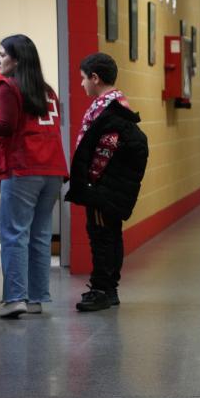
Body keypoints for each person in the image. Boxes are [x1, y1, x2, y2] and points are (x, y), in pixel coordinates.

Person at [0, 34, 68, 318]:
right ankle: (36, 298)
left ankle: (15, 298)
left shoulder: (9, 86)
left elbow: (5, 125)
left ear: (16, 59)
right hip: (52, 169)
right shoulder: (48, 91)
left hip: (24, 167)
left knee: (13, 233)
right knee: (39, 235)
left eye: (2, 54)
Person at [66, 52, 148, 312]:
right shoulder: (115, 105)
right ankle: (110, 288)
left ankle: (101, 288)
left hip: (103, 188)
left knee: (102, 236)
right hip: (108, 187)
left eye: (83, 79)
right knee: (109, 235)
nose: (81, 84)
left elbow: (104, 150)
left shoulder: (108, 111)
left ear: (95, 77)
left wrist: (90, 183)